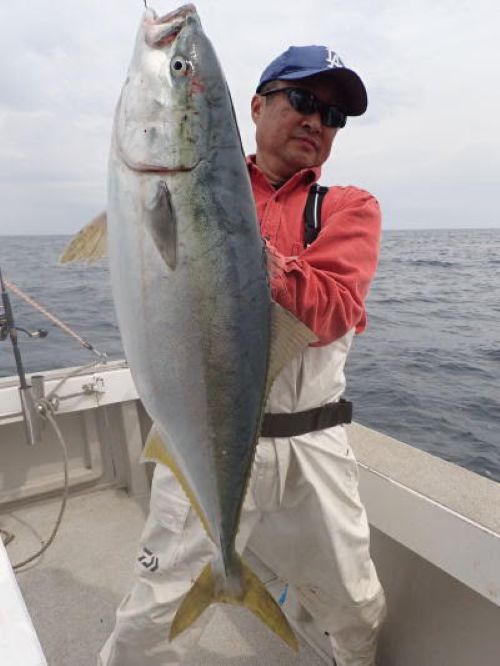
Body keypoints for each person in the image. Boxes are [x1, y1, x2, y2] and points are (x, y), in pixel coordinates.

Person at [99, 45, 386, 666]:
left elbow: (333, 308)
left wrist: (229, 247)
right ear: (254, 107)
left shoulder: (347, 207)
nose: (317, 121)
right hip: (198, 437)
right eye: (303, 100)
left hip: (312, 446)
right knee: (150, 620)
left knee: (356, 606)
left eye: (334, 116)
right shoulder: (189, 185)